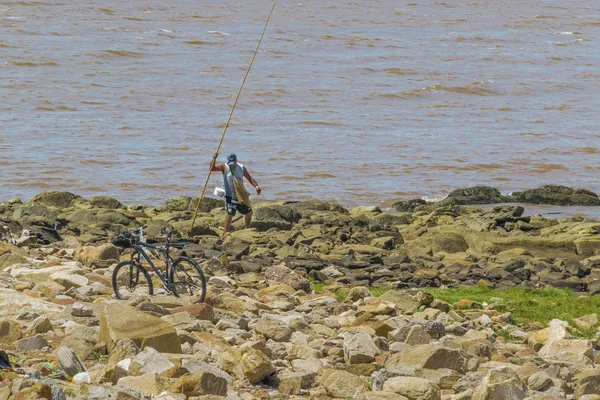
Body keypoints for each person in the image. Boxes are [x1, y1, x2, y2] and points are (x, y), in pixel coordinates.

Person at [211, 152, 261, 233]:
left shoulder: (241, 168)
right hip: (229, 196)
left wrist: (256, 186)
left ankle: (247, 228)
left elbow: (249, 177)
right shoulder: (224, 166)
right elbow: (212, 168)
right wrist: (214, 158)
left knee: (249, 213)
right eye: (229, 163)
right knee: (229, 215)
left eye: (232, 163)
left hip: (240, 196)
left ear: (236, 161)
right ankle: (225, 234)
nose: (231, 165)